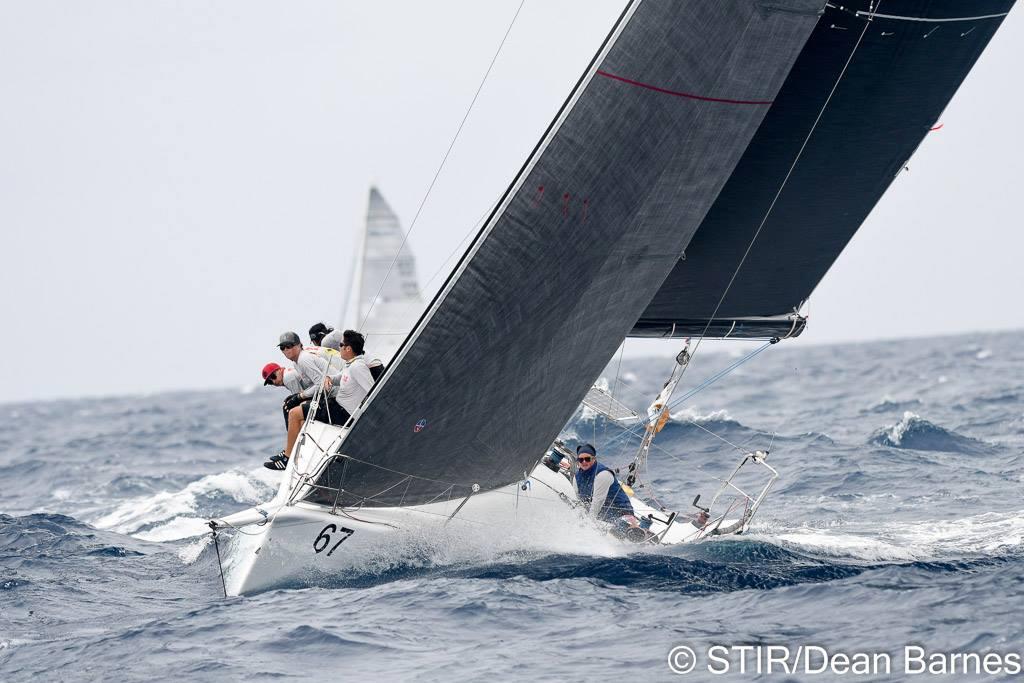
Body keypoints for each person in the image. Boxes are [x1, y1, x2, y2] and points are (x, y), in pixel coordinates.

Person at [266, 332, 349, 470]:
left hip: (338, 400)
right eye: (282, 348)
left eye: (289, 346)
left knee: (294, 413)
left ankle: (289, 457)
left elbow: (323, 385)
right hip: (331, 396)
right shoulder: (297, 362)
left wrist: (301, 396)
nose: (286, 350)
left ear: (299, 345)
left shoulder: (304, 360)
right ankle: (291, 450)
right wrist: (301, 396)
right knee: (293, 405)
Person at [574, 443, 637, 527]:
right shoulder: (577, 477)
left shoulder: (603, 474)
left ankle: (638, 529)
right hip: (601, 513)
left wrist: (587, 524)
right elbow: (579, 499)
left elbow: (598, 501)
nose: (584, 462)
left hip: (621, 512)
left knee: (623, 532)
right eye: (581, 460)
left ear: (594, 459)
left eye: (587, 459)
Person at [325, 330, 376, 417]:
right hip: (339, 406)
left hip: (346, 413)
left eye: (341, 345)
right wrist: (329, 378)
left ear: (348, 349)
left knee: (296, 413)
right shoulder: (350, 363)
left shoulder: (357, 367)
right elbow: (341, 378)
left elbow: (374, 392)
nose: (339, 348)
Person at [261, 362, 306, 428]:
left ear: (280, 370)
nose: (274, 382)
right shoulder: (287, 373)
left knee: (287, 406)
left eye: (273, 376)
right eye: (270, 382)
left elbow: (301, 400)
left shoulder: (288, 378)